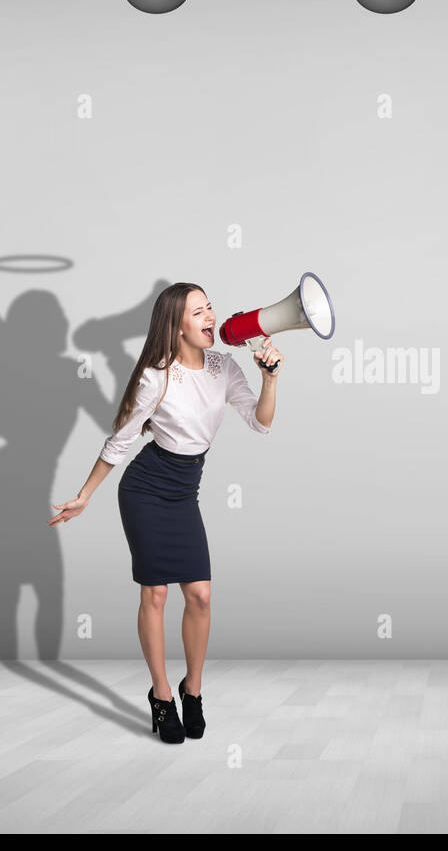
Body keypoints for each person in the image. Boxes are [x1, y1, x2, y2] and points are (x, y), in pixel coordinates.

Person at [48, 282, 279, 744]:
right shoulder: (156, 375)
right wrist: (85, 494)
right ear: (176, 328)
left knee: (200, 596)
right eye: (199, 312)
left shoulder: (223, 366)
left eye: (210, 307)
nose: (211, 316)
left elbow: (261, 421)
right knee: (155, 596)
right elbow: (120, 440)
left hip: (184, 491)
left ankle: (192, 691)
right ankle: (161, 695)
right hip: (146, 489)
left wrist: (270, 377)